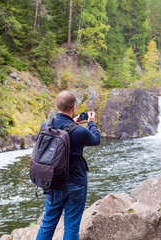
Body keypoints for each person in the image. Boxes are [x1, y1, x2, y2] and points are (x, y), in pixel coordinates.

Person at [36, 90, 101, 240]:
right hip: (76, 183)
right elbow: (96, 139)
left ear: (57, 106)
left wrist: (72, 122)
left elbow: (61, 130)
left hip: (52, 181)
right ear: (74, 108)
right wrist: (91, 122)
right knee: (71, 226)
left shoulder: (45, 126)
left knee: (48, 223)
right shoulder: (79, 132)